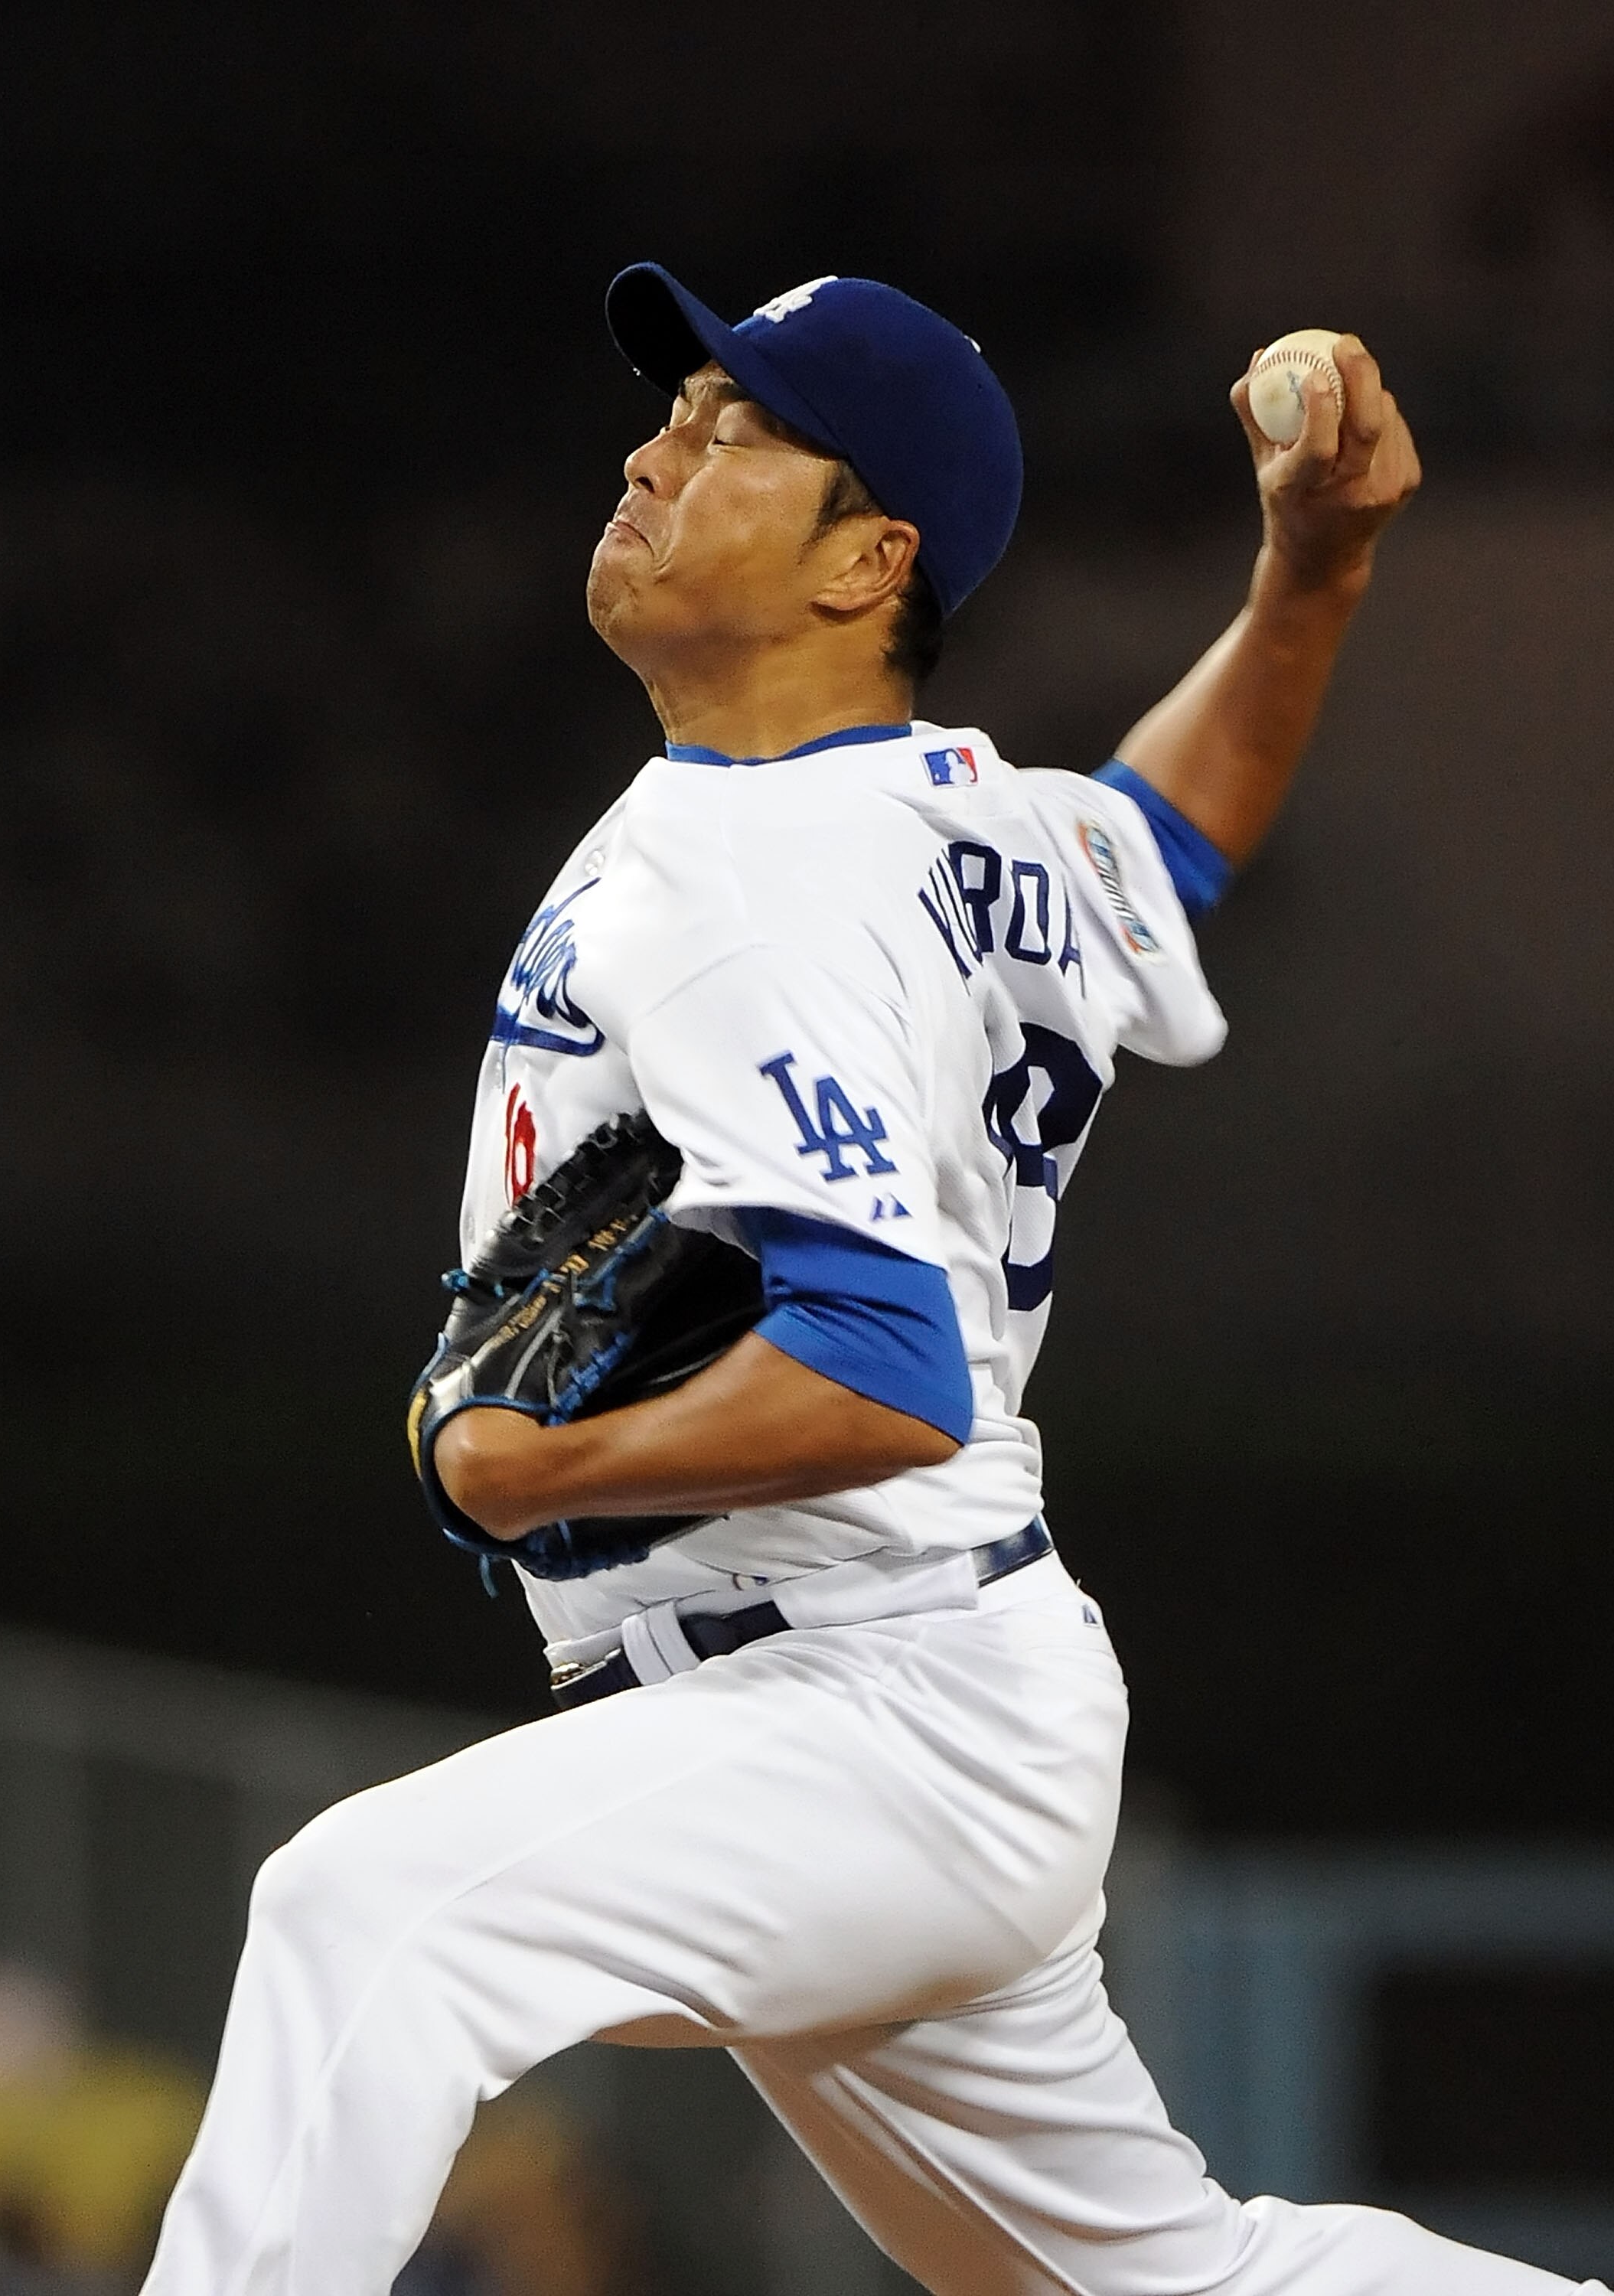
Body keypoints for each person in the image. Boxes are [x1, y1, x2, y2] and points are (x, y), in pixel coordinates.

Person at [142, 268, 1594, 2296]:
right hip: (903, 1692)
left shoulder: (759, 887)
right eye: (672, 415)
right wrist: (1315, 569)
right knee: (1166, 2281)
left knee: (363, 1915)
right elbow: (1164, 840)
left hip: (866, 1702)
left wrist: (518, 1475)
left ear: (867, 561)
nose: (656, 452)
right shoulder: (943, 822)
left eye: (738, 434)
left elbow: (880, 1372)